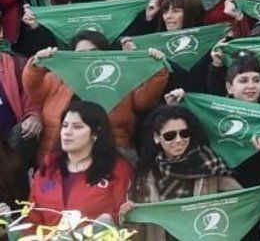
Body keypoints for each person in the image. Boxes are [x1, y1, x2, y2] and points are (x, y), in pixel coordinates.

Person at [23, 33, 168, 157]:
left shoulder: (119, 77)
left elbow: (144, 101)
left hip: (114, 153)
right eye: (81, 54)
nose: (88, 57)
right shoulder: (58, 78)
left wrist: (157, 69)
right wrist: (35, 66)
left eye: (94, 51)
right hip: (58, 155)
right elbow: (34, 91)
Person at [123, 106, 242, 241]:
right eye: (170, 136)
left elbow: (240, 202)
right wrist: (127, 214)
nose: (179, 140)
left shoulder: (209, 165)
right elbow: (135, 224)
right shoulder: (144, 173)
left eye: (184, 133)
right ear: (157, 138)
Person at [25, 101, 132, 229]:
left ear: (95, 133)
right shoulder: (48, 167)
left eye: (77, 127)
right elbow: (31, 218)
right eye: (64, 126)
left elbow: (124, 219)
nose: (67, 132)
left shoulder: (118, 169)